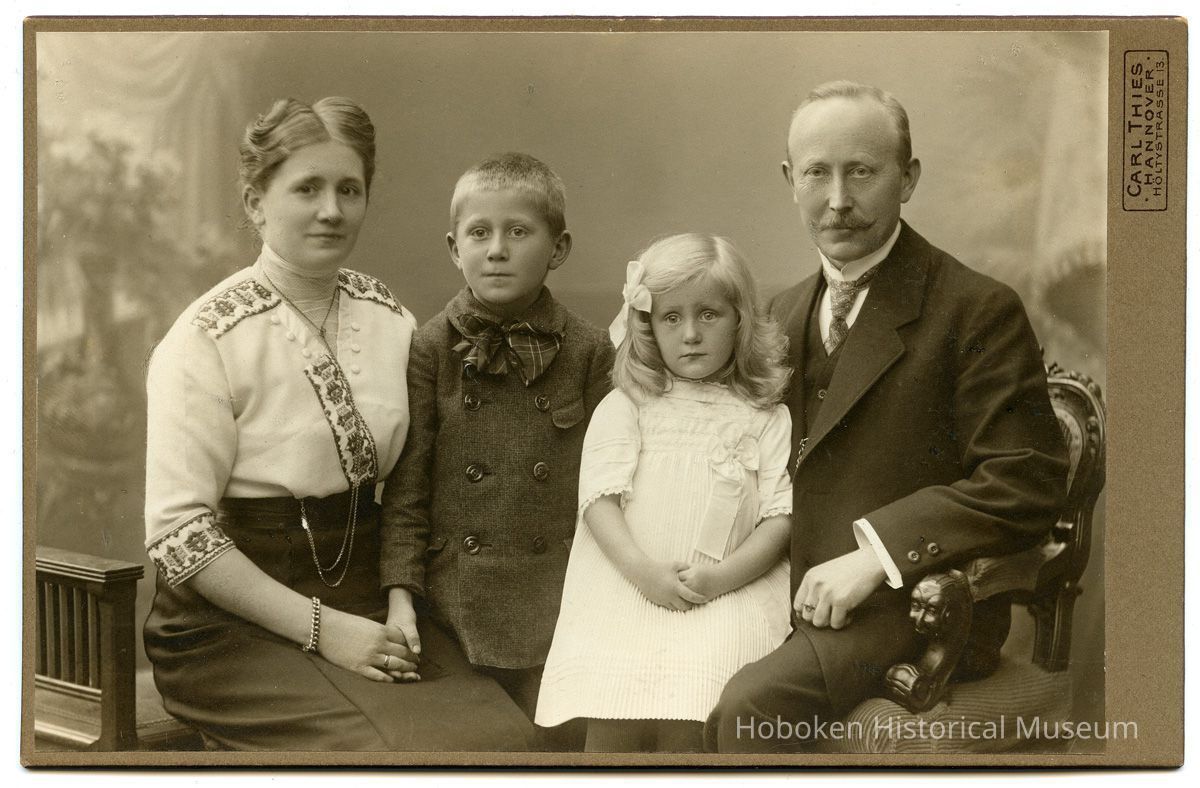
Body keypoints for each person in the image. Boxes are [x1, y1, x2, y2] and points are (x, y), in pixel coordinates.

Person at [142, 97, 532, 751]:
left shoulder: (391, 319)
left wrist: (400, 600)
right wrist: (324, 630)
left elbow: (413, 484)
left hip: (370, 595)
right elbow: (181, 539)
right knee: (414, 755)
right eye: (308, 188)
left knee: (512, 742)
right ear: (255, 201)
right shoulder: (206, 337)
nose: (332, 209)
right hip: (231, 628)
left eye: (349, 189)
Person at [704, 81, 1070, 752]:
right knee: (650, 681)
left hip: (914, 609)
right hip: (781, 591)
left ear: (908, 178)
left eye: (863, 172)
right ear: (791, 180)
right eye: (818, 173)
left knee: (750, 707)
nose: (838, 200)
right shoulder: (777, 317)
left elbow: (1026, 482)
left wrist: (877, 552)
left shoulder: (975, 309)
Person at [379, 152, 615, 749]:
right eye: (479, 233)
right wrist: (400, 599)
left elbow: (607, 489)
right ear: (454, 248)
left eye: (518, 232)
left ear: (558, 248)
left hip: (560, 606)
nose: (497, 250)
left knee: (562, 748)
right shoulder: (430, 346)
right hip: (452, 608)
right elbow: (408, 487)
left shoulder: (590, 350)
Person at [534, 234, 793, 753]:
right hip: (629, 588)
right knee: (613, 726)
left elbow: (779, 519)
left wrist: (720, 579)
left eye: (710, 315)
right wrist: (645, 573)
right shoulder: (628, 405)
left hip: (725, 595)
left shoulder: (766, 415)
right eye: (671, 317)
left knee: (694, 722)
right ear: (647, 324)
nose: (691, 334)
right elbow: (598, 503)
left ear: (740, 319)